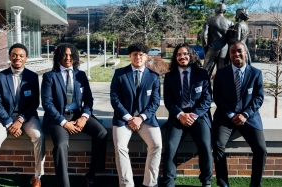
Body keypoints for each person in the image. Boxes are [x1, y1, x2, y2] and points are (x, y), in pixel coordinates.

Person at [41, 43, 108, 187]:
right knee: (61, 145)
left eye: (71, 55)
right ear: (58, 56)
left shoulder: (80, 75)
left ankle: (91, 175)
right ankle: (64, 184)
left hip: (78, 115)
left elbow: (89, 99)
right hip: (58, 118)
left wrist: (84, 116)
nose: (68, 58)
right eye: (64, 54)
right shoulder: (49, 76)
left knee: (102, 133)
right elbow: (47, 104)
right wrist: (64, 123)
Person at [0, 43, 45, 187]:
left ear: (26, 58)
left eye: (21, 56)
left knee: (39, 136)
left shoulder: (33, 77)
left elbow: (34, 102)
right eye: (14, 55)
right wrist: (10, 123)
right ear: (10, 57)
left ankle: (37, 177)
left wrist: (20, 120)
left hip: (27, 118)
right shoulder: (0, 77)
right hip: (4, 119)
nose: (17, 58)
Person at [212, 42, 267, 187]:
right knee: (218, 145)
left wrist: (246, 114)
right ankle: (223, 183)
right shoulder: (222, 73)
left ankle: (255, 184)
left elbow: (259, 97)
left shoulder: (256, 73)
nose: (236, 54)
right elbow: (217, 96)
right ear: (229, 55)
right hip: (225, 117)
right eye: (232, 52)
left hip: (249, 117)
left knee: (261, 149)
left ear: (246, 52)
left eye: (239, 51)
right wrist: (231, 115)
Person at [110, 42, 162, 187]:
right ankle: (127, 184)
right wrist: (128, 117)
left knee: (157, 144)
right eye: (135, 54)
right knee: (120, 146)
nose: (138, 57)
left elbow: (155, 102)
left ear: (146, 57)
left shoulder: (153, 76)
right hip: (123, 119)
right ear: (130, 56)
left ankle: (150, 183)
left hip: (146, 119)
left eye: (141, 54)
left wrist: (141, 117)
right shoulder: (120, 74)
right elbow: (115, 99)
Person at [162, 43, 213, 187]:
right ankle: (169, 182)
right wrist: (180, 115)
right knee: (171, 146)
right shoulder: (170, 76)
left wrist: (193, 115)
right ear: (175, 57)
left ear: (191, 55)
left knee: (205, 145)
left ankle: (206, 181)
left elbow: (207, 99)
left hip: (199, 115)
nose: (182, 57)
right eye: (178, 54)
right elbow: (168, 101)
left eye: (185, 54)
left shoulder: (202, 74)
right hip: (178, 116)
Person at [201, 3, 234, 76]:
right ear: (224, 11)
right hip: (224, 51)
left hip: (212, 48)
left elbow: (203, 36)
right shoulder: (230, 23)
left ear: (215, 10)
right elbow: (231, 39)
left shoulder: (209, 21)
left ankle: (204, 87)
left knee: (205, 72)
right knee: (222, 74)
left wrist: (205, 47)